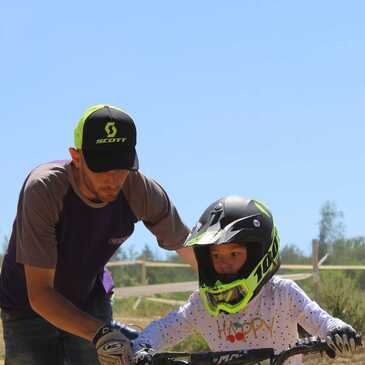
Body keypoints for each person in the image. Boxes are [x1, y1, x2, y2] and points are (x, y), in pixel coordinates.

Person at [0, 104, 196, 365]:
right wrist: (101, 333)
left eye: (122, 167)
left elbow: (190, 249)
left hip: (88, 299)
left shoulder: (140, 190)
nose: (113, 179)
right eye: (102, 167)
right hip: (27, 306)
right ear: (76, 157)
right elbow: (40, 294)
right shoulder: (44, 189)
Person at [133, 196, 361, 365]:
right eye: (216, 255)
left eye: (234, 254)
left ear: (258, 255)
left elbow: (318, 319)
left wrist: (337, 330)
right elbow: (165, 328)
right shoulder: (203, 305)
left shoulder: (282, 294)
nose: (223, 263)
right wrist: (141, 347)